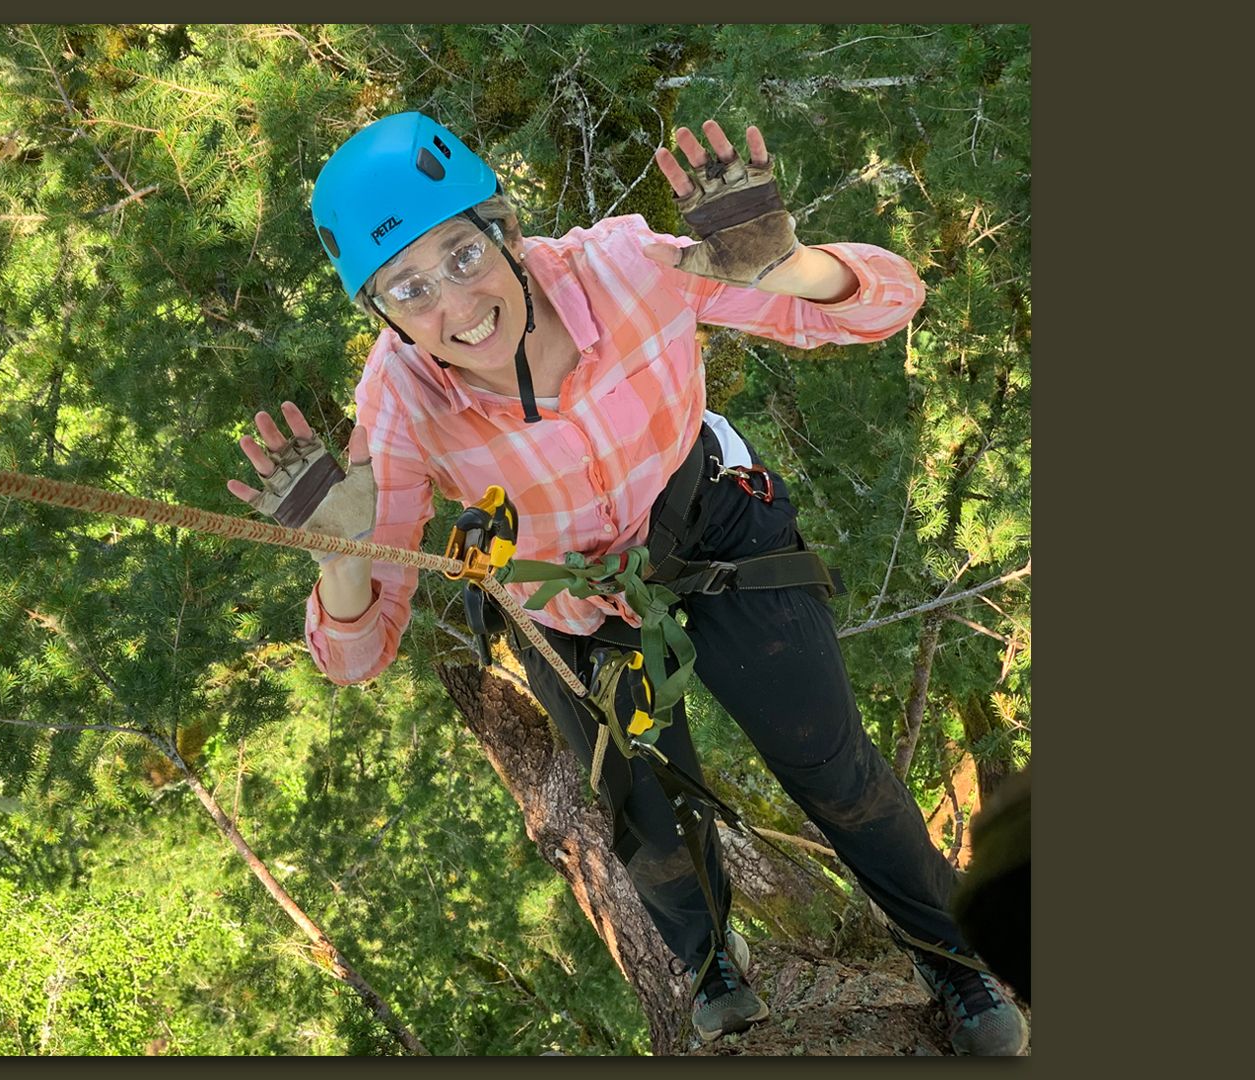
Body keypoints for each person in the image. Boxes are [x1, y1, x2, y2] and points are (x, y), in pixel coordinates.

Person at [226, 111, 1027, 1056]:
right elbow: (361, 655)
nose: (455, 302)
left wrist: (789, 266)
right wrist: (342, 560)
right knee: (646, 814)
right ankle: (707, 961)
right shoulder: (399, 402)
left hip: (712, 531)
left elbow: (885, 303)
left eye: (460, 254)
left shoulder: (624, 268)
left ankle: (954, 956)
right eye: (408, 288)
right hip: (573, 605)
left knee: (831, 763)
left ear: (507, 231)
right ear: (385, 316)